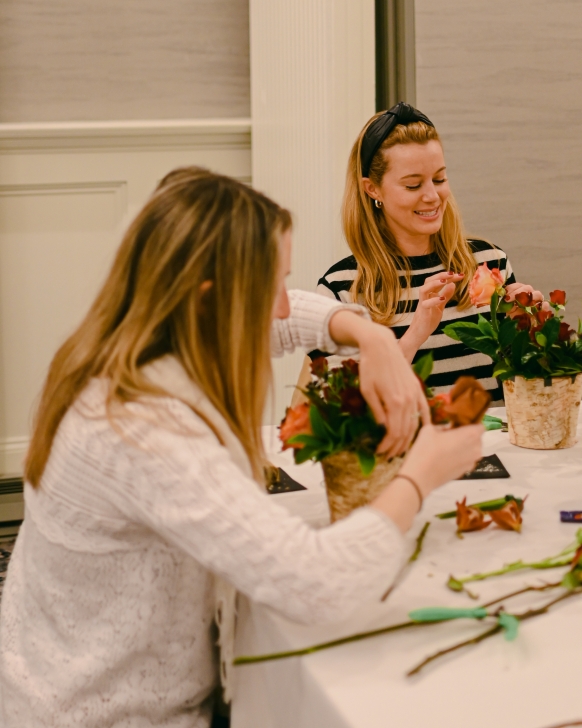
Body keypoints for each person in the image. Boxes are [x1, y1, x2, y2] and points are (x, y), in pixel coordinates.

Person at [0, 167, 483, 728]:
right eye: (272, 285)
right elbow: (314, 584)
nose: (282, 305)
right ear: (211, 300)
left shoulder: (138, 345)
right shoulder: (141, 430)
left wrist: (372, 335)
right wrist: (419, 476)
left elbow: (292, 318)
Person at [312, 103, 516, 400]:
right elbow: (343, 408)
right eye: (412, 185)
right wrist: (415, 334)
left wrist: (535, 329)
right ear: (373, 190)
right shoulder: (341, 290)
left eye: (439, 179)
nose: (432, 196)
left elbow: (522, 387)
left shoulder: (490, 263)